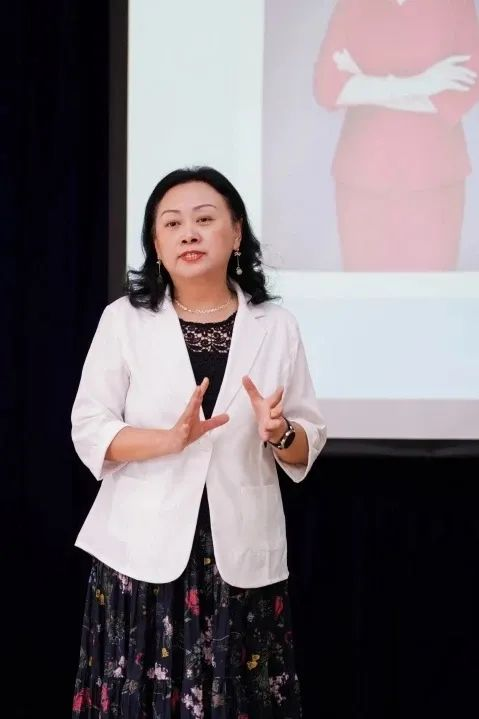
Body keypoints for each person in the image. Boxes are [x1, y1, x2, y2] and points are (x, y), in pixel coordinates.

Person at [71, 166, 327, 718]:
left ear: (236, 234)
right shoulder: (124, 320)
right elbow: (89, 427)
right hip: (140, 555)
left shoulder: (277, 325)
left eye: (205, 219)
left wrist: (280, 432)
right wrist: (168, 440)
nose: (189, 233)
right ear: (156, 244)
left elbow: (307, 442)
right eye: (172, 223)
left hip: (240, 556)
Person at [314, 0, 479, 271]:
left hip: (434, 181)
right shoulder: (354, 4)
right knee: (365, 291)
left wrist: (365, 84)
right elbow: (327, 88)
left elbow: (459, 96)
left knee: (431, 291)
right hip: (362, 180)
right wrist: (423, 84)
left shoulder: (456, 5)